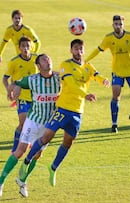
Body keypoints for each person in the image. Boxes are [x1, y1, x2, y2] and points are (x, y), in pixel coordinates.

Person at [18, 39, 110, 187]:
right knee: (46, 137)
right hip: (62, 109)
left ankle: (53, 168)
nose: (78, 51)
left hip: (77, 112)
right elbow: (72, 85)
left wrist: (103, 80)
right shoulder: (65, 65)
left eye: (81, 49)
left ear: (83, 51)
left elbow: (96, 75)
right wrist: (85, 94)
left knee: (68, 142)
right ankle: (27, 161)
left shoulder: (88, 67)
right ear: (71, 50)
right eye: (75, 49)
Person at [0, 54, 60, 198]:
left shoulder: (59, 78)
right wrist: (12, 90)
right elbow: (15, 83)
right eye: (44, 59)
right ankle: (0, 182)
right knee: (20, 151)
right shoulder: (32, 80)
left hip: (48, 125)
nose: (48, 61)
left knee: (37, 155)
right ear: (38, 65)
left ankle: (22, 181)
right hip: (33, 121)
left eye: (49, 58)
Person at [86, 15, 130, 133]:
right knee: (116, 96)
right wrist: (86, 60)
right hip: (117, 72)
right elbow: (98, 50)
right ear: (113, 25)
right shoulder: (108, 38)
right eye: (116, 24)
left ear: (123, 24)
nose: (118, 26)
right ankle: (114, 124)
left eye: (120, 24)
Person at [0, 9, 41, 108]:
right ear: (12, 19)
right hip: (19, 57)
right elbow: (4, 42)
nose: (17, 20)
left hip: (30, 57)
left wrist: (34, 54)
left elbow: (37, 42)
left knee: (30, 77)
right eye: (15, 18)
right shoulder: (9, 30)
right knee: (15, 77)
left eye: (19, 18)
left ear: (22, 19)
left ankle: (29, 99)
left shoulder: (27, 30)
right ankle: (16, 98)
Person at [2, 36, 38, 153]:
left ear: (31, 47)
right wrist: (9, 90)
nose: (26, 49)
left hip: (36, 98)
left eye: (28, 46)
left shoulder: (37, 59)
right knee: (22, 123)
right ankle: (15, 148)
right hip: (21, 97)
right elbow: (5, 78)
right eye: (23, 46)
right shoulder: (14, 62)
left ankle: (31, 144)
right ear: (19, 47)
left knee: (35, 124)